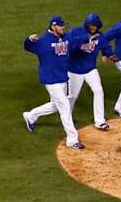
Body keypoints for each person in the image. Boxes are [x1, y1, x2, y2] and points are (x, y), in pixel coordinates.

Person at [22, 15, 85, 149]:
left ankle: (30, 116)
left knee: (56, 105)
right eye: (61, 26)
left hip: (62, 78)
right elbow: (27, 47)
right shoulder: (42, 41)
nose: (63, 28)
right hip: (51, 80)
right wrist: (28, 40)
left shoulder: (65, 38)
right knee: (65, 107)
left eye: (64, 26)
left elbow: (76, 40)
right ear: (53, 26)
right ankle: (72, 139)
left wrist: (90, 37)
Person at [66, 13, 118, 131]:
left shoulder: (100, 36)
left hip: (90, 69)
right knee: (73, 96)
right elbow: (70, 47)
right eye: (91, 25)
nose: (93, 27)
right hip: (75, 70)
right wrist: (85, 39)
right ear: (87, 24)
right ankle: (66, 118)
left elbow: (105, 46)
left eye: (95, 25)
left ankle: (100, 121)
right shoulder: (75, 32)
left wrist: (110, 55)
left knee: (98, 91)